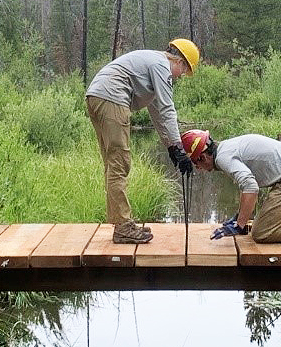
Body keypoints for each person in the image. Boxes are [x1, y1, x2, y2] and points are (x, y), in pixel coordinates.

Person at [85, 38, 200, 244]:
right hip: (112, 98)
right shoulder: (161, 66)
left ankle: (121, 224)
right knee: (120, 163)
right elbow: (167, 110)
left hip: (96, 96)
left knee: (113, 164)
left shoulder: (153, 64)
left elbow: (157, 114)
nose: (181, 76)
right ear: (180, 62)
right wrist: (182, 150)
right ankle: (123, 227)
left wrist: (172, 147)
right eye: (184, 71)